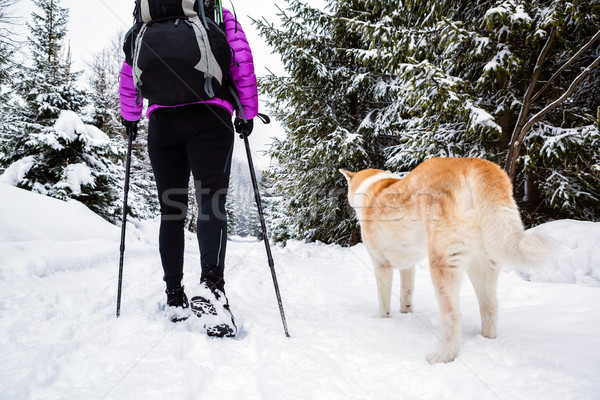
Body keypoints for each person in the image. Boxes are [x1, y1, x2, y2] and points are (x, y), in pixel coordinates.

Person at [119, 2, 258, 335]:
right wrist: (247, 113)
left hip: (163, 121)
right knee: (211, 203)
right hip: (210, 118)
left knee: (172, 209)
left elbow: (129, 69)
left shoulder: (148, 16)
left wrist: (131, 115)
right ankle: (212, 287)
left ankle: (174, 295)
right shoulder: (214, 10)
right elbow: (241, 60)